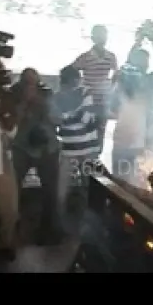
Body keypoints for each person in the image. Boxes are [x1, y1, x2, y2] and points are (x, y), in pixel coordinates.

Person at [10, 68, 63, 245]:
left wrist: (43, 105)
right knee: (12, 189)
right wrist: (23, 105)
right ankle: (11, 228)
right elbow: (9, 123)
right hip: (22, 147)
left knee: (50, 190)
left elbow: (58, 119)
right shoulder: (14, 95)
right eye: (27, 83)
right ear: (21, 84)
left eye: (34, 83)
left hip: (46, 148)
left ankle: (48, 230)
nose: (31, 87)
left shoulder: (47, 95)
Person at [110, 26, 153, 184]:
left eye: (145, 61)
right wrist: (148, 43)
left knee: (134, 181)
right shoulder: (127, 78)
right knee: (124, 181)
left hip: (136, 143)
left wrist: (149, 43)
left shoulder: (145, 81)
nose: (144, 63)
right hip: (127, 142)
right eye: (142, 60)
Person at [53, 65, 100, 228]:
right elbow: (59, 119)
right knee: (65, 189)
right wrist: (72, 116)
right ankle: (63, 224)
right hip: (75, 150)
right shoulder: (61, 96)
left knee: (87, 186)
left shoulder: (84, 93)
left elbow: (84, 118)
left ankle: (85, 223)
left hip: (82, 150)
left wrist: (65, 117)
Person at [72, 25, 118, 153]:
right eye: (99, 35)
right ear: (93, 38)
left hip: (104, 101)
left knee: (101, 131)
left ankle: (96, 159)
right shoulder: (85, 57)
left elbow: (116, 74)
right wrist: (82, 89)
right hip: (88, 101)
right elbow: (71, 70)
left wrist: (111, 89)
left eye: (104, 35)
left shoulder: (111, 56)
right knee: (87, 129)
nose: (103, 38)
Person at [0, 87, 19, 262]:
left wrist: (3, 115)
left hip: (1, 167)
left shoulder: (3, 104)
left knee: (8, 209)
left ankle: (4, 244)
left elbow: (11, 132)